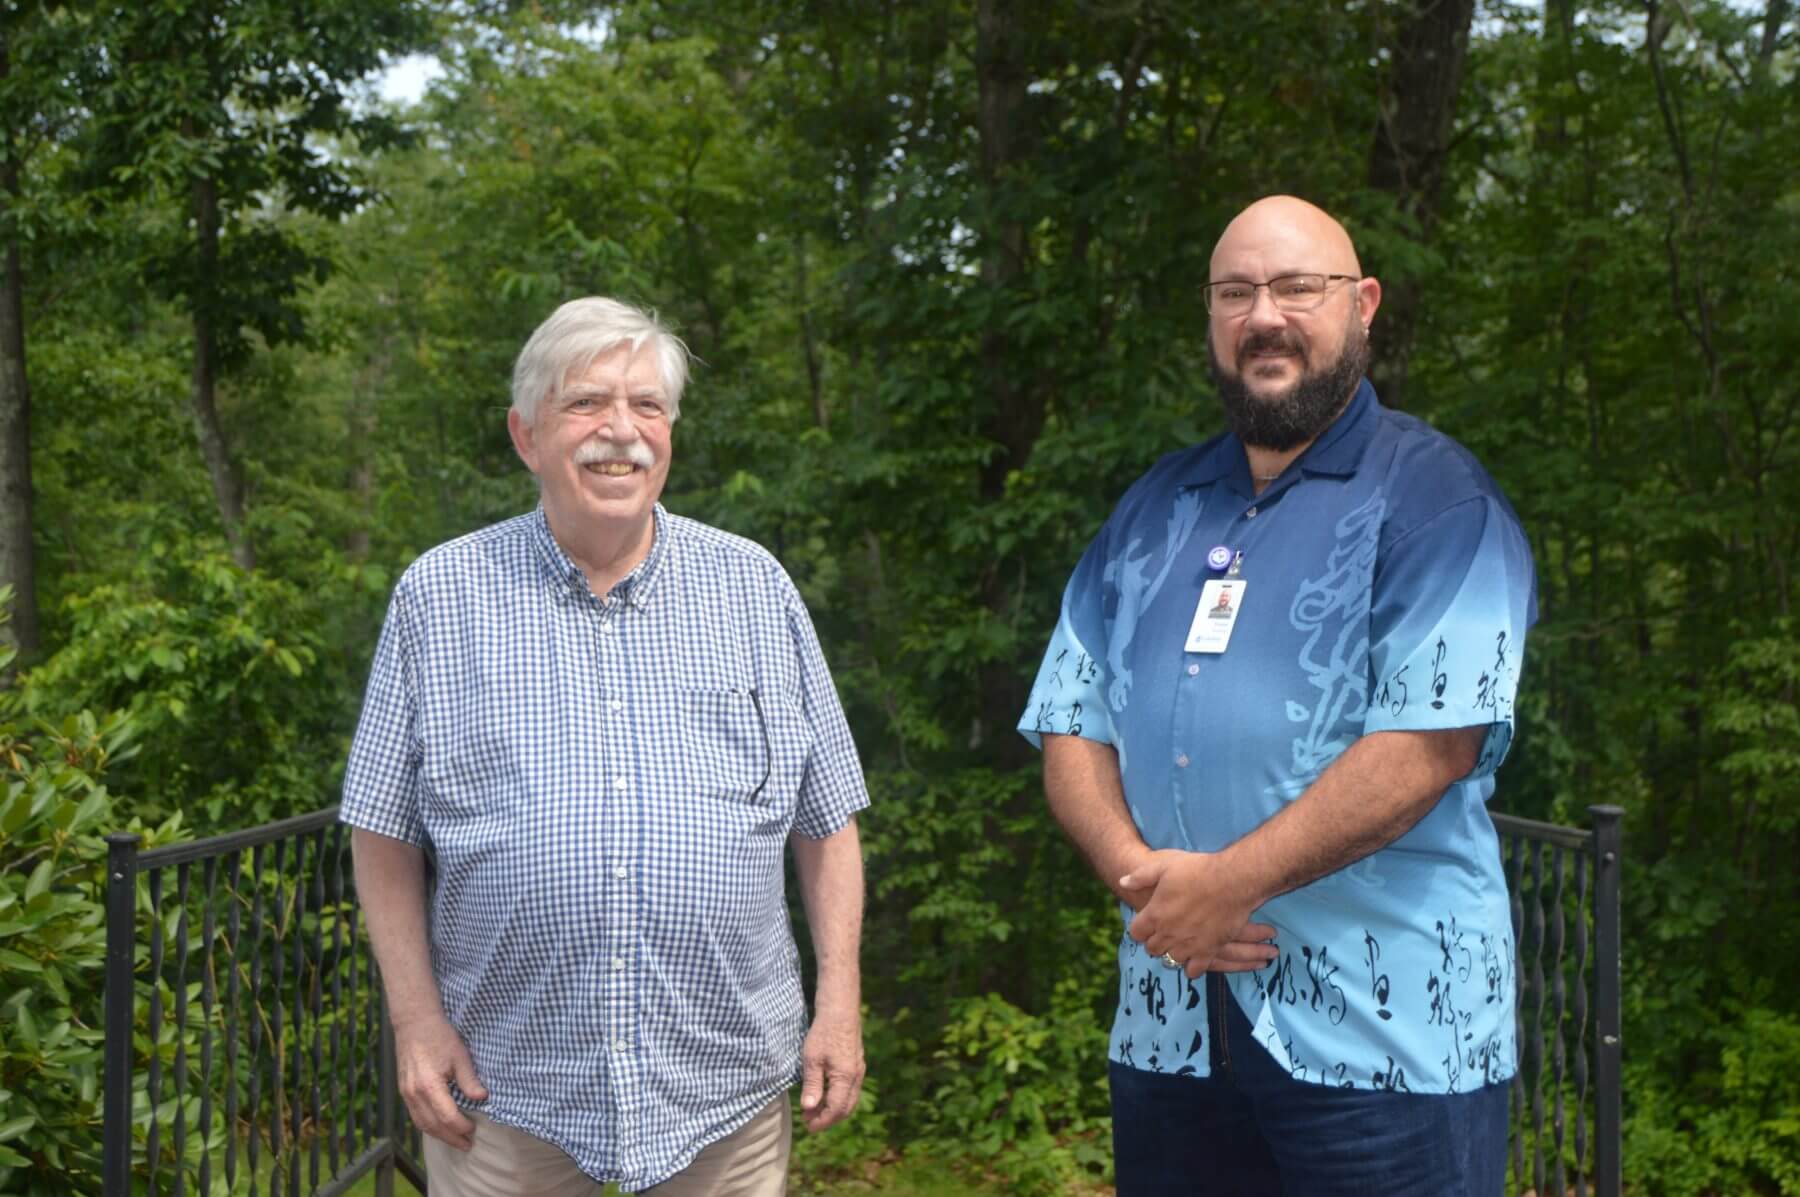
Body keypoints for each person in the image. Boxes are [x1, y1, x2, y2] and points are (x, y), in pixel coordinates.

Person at [1018, 195, 1535, 1196]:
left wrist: (1225, 887)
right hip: (1176, 1021)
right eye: (1236, 292)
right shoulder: (1153, 508)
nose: (1266, 316)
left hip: (1386, 1045)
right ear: (1212, 317)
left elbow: (1429, 746)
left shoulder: (1439, 501)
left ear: (1364, 304)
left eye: (1299, 288)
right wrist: (1146, 885)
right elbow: (1071, 720)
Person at [342, 297, 870, 1196]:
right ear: (526, 434)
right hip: (505, 1091)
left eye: (647, 406)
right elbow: (383, 833)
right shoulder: (442, 595)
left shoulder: (754, 588)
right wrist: (417, 1021)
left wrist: (840, 1002)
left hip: (725, 1085)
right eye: (586, 403)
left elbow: (826, 821)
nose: (620, 431)